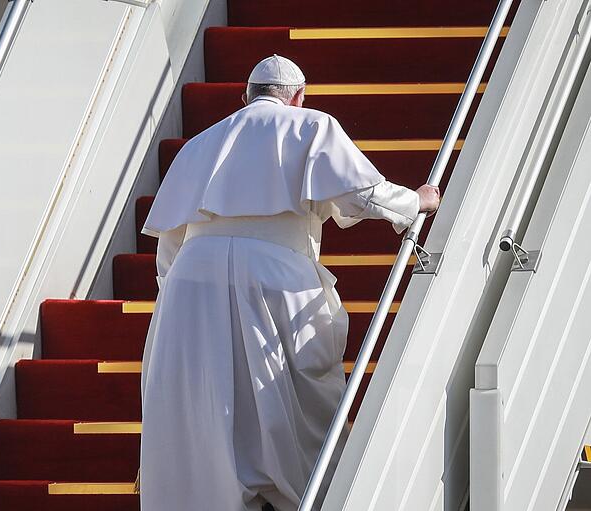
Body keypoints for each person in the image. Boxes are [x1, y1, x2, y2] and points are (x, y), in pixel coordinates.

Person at [137, 55, 441, 511]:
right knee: (296, 398)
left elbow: (169, 247)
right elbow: (360, 193)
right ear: (298, 97)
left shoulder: (200, 144)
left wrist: (178, 303)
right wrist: (414, 201)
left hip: (190, 283)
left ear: (245, 96)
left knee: (207, 404)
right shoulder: (310, 126)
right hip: (275, 275)